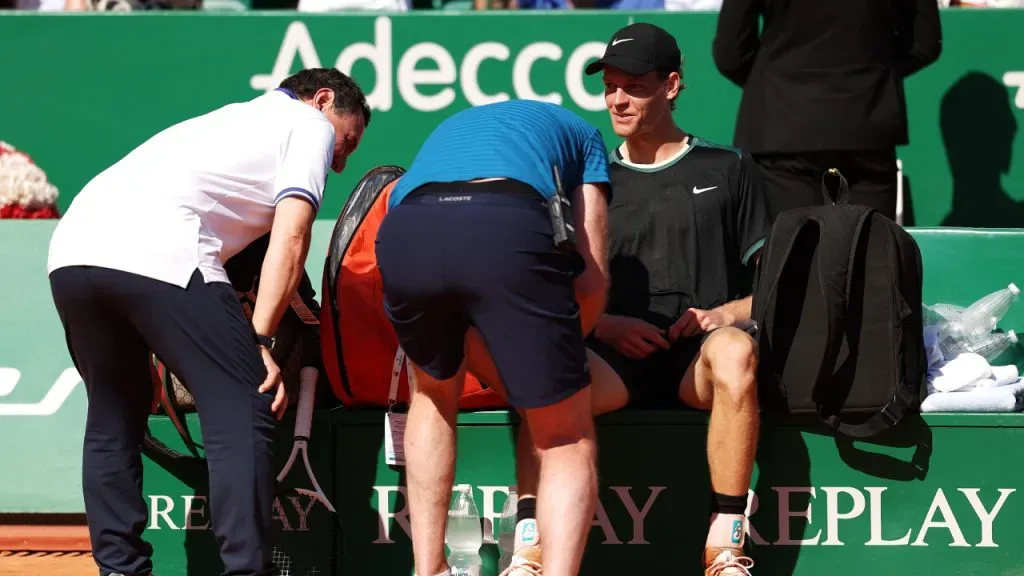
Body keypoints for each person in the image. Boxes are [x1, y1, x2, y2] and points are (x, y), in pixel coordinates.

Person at [46, 68, 369, 576]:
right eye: (346, 141)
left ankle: (119, 569)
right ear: (322, 99)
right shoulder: (308, 126)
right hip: (162, 250)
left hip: (71, 253)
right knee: (245, 404)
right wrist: (259, 337)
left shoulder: (222, 124)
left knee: (113, 416)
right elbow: (291, 236)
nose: (341, 161)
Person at [374, 99, 611, 576]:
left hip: (406, 232)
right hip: (503, 222)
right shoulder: (586, 136)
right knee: (565, 435)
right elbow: (591, 281)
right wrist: (554, 371)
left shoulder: (454, 128)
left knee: (433, 393)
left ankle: (430, 569)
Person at [581, 23, 769, 576]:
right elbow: (557, 295)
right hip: (614, 366)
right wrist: (605, 326)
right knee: (546, 361)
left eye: (634, 85)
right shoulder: (589, 181)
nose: (618, 98)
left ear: (672, 85)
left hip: (699, 365)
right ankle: (532, 545)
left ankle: (727, 541)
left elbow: (778, 290)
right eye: (611, 86)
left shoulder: (729, 168)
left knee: (736, 350)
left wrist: (723, 314)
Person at [713, 0, 942, 221]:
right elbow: (924, 43)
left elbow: (731, 52)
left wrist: (775, 85)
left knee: (793, 252)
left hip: (784, 126)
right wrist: (874, 75)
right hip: (867, 122)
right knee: (872, 252)